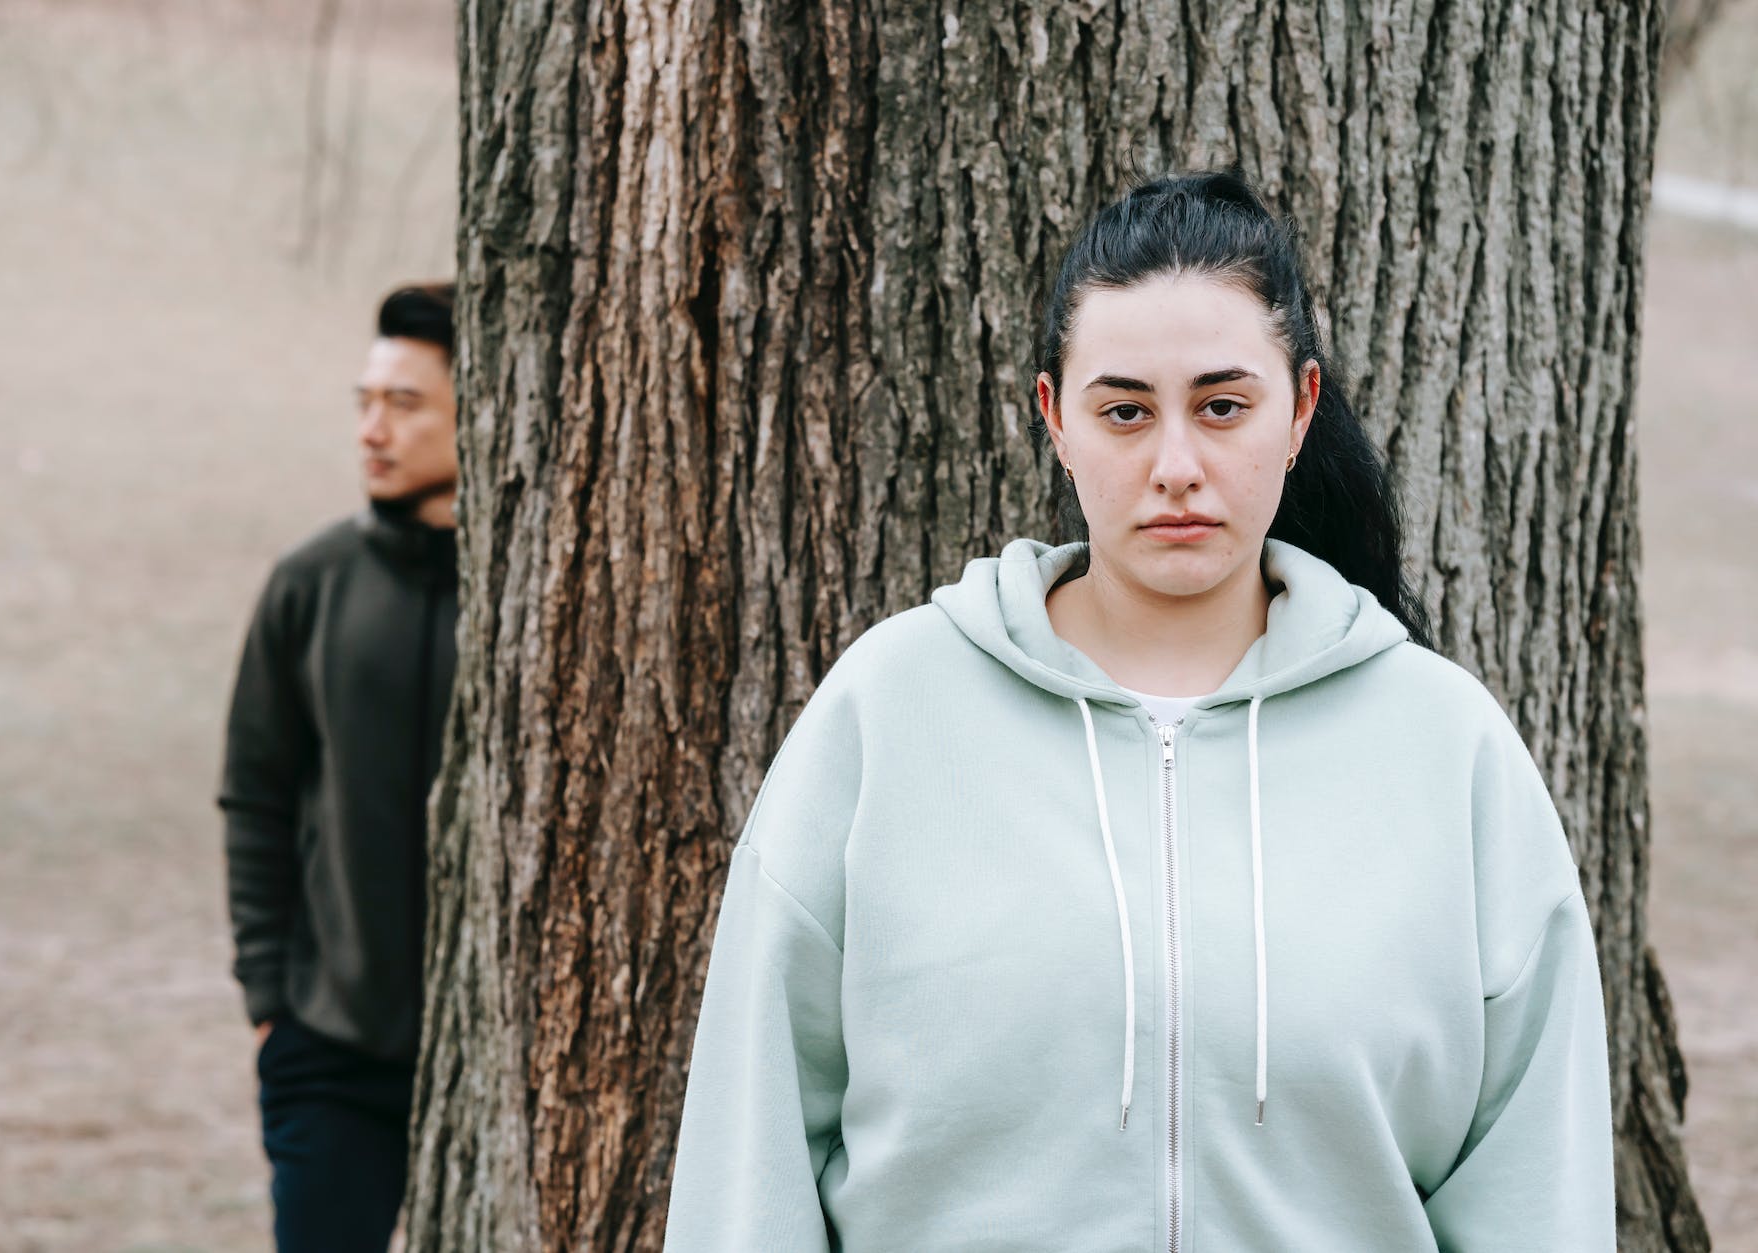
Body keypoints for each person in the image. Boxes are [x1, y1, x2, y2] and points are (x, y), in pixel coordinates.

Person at [664, 171, 1613, 1251]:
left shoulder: (1446, 747)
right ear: (1052, 419)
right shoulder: (885, 715)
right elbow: (752, 1157)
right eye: (1123, 410)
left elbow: (1536, 1179)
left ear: (1298, 409)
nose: (1174, 465)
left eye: (1221, 406)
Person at [219, 282, 459, 1252]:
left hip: (498, 1049)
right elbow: (256, 792)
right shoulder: (308, 583)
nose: (371, 430)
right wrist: (271, 999)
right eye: (364, 402)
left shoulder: (539, 590)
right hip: (332, 1050)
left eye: (403, 404)